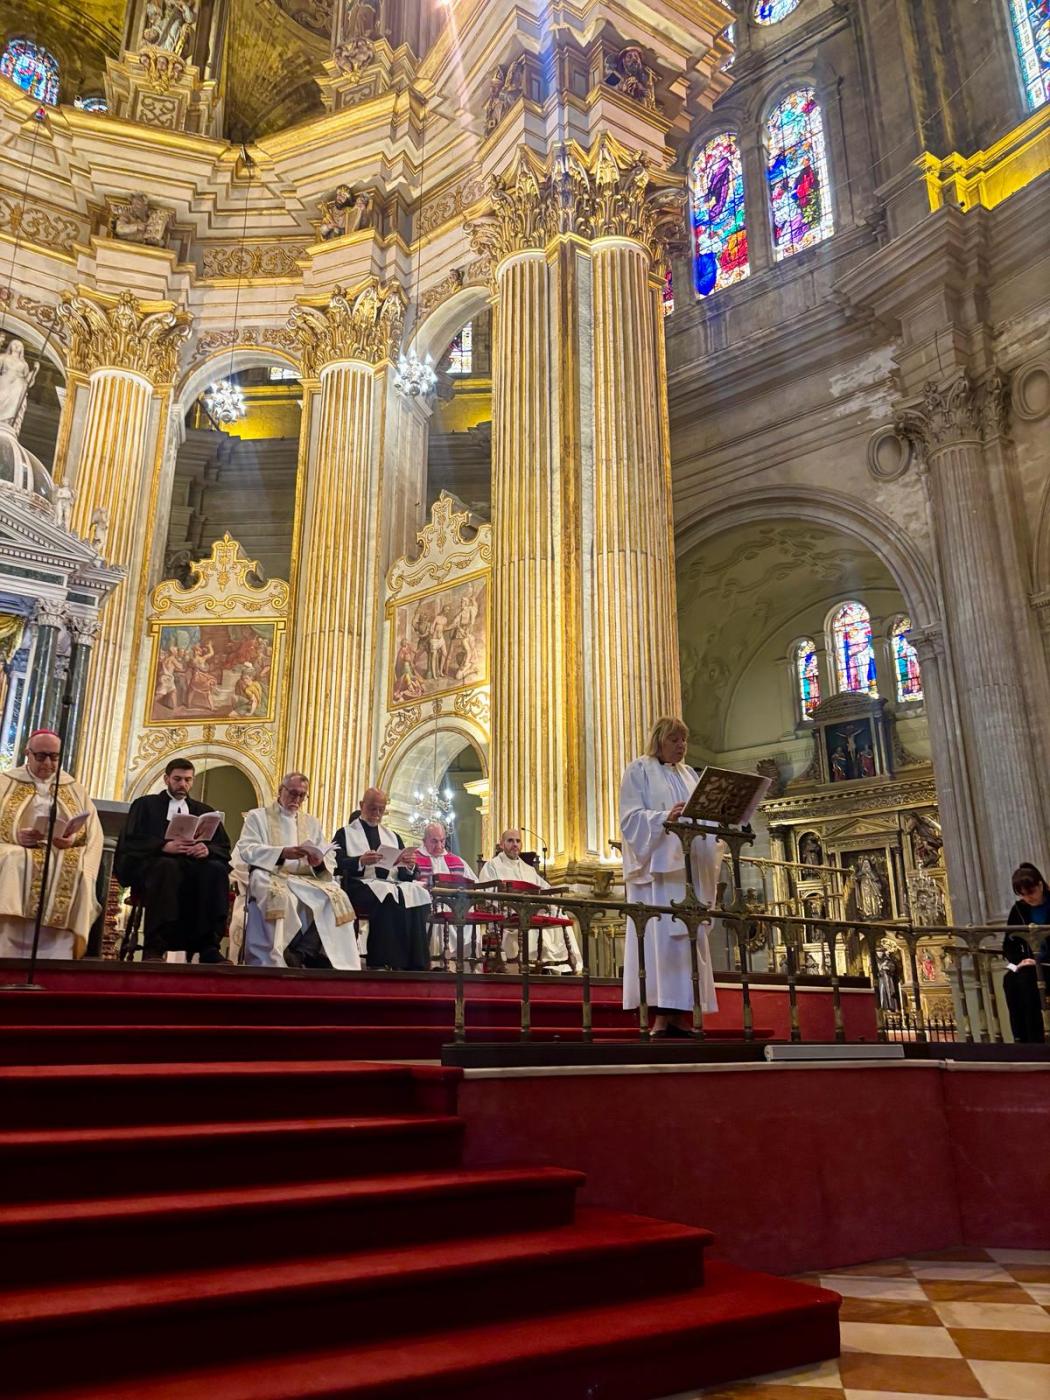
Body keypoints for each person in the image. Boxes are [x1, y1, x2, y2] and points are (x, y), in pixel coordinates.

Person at [619, 716, 725, 1038]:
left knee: (687, 945)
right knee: (661, 944)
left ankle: (682, 1016)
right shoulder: (639, 770)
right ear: (659, 741)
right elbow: (630, 819)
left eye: (684, 740)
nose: (681, 746)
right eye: (674, 740)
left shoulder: (690, 774)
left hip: (688, 870)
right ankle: (661, 1018)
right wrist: (666, 816)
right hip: (659, 875)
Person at [233, 773, 360, 970]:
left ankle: (302, 953)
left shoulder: (312, 823)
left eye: (302, 795)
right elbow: (247, 848)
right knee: (284, 898)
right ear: (280, 790)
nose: (297, 800)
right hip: (270, 874)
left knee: (336, 897)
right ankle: (280, 954)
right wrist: (282, 852)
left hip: (305, 877)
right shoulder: (257, 817)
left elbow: (328, 859)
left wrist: (317, 861)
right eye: (293, 793)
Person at [114, 756, 232, 962]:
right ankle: (155, 947)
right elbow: (131, 841)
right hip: (157, 865)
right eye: (177, 779)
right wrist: (163, 846)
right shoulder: (145, 805)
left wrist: (207, 850)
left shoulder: (204, 810)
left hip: (194, 867)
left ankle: (208, 947)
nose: (182, 784)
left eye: (188, 779)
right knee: (167, 867)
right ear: (166, 778)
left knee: (215, 870)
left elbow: (223, 846)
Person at [0, 729, 103, 959]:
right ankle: (6, 951)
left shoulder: (72, 787)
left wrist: (71, 839)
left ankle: (56, 956)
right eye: (41, 756)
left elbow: (92, 831)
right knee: (14, 859)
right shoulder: (5, 781)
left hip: (59, 851)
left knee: (78, 869)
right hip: (11, 847)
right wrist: (17, 835)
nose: (48, 763)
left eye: (54, 757)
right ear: (28, 753)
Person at [333, 787, 431, 970]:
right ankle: (382, 960)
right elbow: (336, 863)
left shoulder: (392, 836)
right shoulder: (344, 833)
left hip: (390, 884)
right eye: (372, 808)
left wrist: (408, 865)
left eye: (381, 809)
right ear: (362, 805)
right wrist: (360, 861)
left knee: (417, 896)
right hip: (358, 885)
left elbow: (404, 876)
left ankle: (415, 962)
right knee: (387, 897)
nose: (376, 814)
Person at [479, 829, 581, 972]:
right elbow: (486, 893)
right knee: (529, 919)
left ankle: (561, 966)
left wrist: (550, 902)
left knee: (559, 916)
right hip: (507, 917)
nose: (515, 844)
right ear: (501, 844)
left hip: (530, 913)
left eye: (518, 841)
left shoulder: (529, 869)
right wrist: (508, 906)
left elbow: (545, 889)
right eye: (510, 841)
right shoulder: (492, 866)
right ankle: (536, 964)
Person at [414, 821, 481, 963]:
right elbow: (408, 883)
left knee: (468, 919)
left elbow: (474, 884)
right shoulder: (414, 859)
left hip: (455, 906)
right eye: (434, 841)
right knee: (435, 916)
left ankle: (465, 961)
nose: (439, 846)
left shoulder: (457, 861)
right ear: (424, 840)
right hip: (428, 905)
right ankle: (433, 961)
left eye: (442, 841)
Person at [1003, 862, 1049, 1044]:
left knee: (1027, 980)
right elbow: (1009, 943)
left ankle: (1035, 1040)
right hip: (1028, 965)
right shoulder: (1019, 909)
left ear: (1040, 885)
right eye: (1022, 894)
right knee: (1009, 980)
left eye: (1031, 893)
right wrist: (1020, 960)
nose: (1028, 898)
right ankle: (1020, 1038)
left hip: (1047, 965)